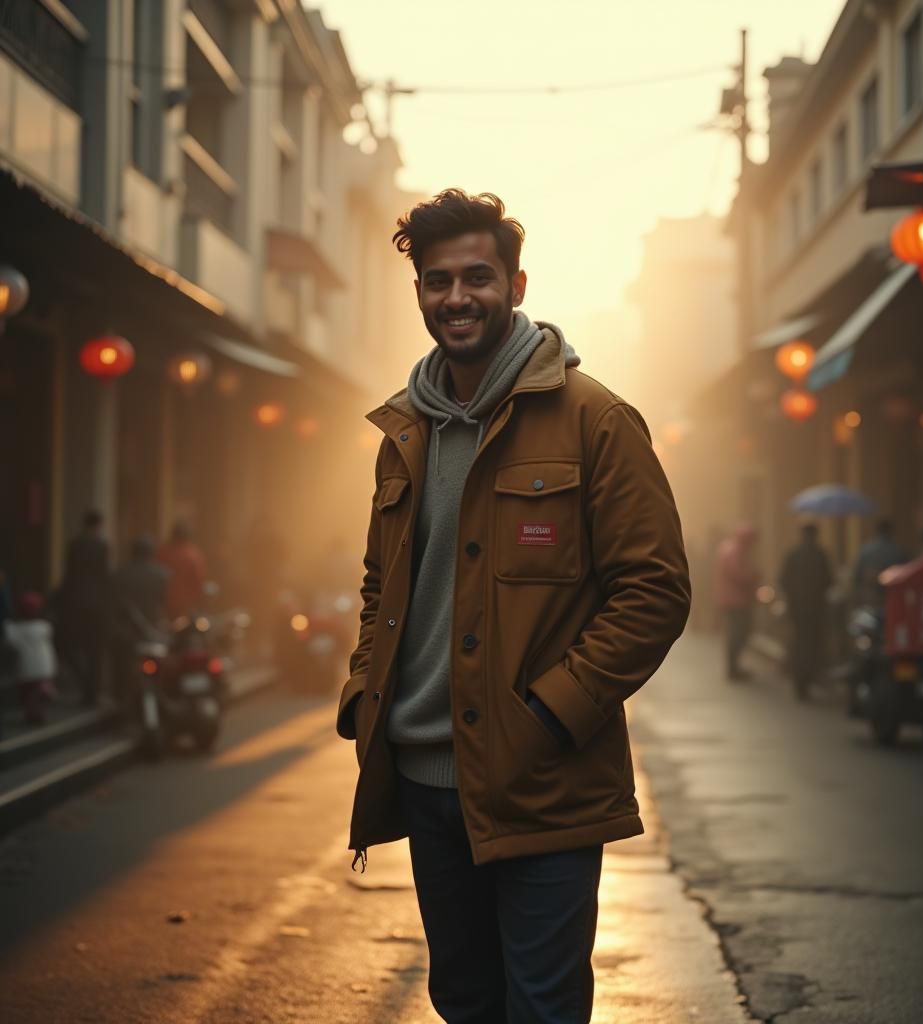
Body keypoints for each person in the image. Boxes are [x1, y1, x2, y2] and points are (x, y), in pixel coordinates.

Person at [336, 189, 690, 1023]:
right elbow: (380, 583)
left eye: (477, 278)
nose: (456, 298)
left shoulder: (594, 419)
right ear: (419, 292)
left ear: (517, 284)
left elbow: (655, 591)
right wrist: (364, 690)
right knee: (464, 999)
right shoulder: (406, 431)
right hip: (426, 780)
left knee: (541, 1006)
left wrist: (551, 711)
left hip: (545, 782)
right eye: (437, 281)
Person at [109, 536, 170, 709]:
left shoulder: (120, 574)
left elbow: (115, 604)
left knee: (123, 670)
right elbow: (164, 604)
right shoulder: (161, 575)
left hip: (128, 632)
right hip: (152, 632)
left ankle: (122, 702)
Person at [57, 510, 111, 705]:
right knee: (95, 649)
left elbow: (69, 575)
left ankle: (85, 685)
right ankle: (92, 691)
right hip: (97, 606)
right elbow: (105, 576)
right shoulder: (102, 546)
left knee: (72, 647)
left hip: (76, 604)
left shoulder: (74, 545)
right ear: (98, 525)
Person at [779, 523, 833, 699]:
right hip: (816, 609)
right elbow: (829, 580)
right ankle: (807, 680)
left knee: (797, 641)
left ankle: (799, 682)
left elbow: (782, 579)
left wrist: (790, 597)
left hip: (796, 608)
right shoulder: (820, 555)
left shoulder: (793, 554)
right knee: (812, 643)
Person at [713, 525, 760, 680]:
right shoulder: (734, 551)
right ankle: (733, 668)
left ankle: (734, 667)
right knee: (738, 634)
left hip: (732, 599)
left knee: (737, 633)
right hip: (736, 600)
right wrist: (752, 577)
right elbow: (736, 573)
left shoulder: (728, 548)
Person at [4, 592, 58, 725]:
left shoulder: (16, 629)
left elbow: (10, 641)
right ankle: (35, 712)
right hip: (43, 668)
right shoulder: (44, 626)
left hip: (27, 668)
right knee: (35, 693)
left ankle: (33, 713)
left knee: (29, 693)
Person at [852, 519, 908, 608]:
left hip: (870, 598)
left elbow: (857, 577)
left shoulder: (866, 551)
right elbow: (905, 576)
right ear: (890, 532)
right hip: (892, 598)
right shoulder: (898, 551)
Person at [157, 522, 207, 621]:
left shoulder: (163, 553)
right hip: (186, 606)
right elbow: (198, 582)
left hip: (164, 605)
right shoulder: (194, 556)